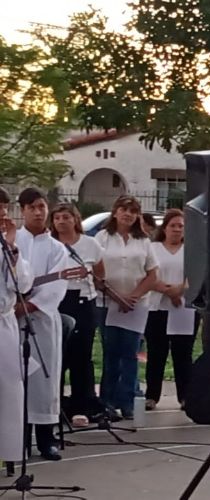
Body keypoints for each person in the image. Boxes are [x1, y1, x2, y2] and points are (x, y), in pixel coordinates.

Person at [15, 187, 69, 461]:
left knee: (44, 379)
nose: (38, 212)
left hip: (43, 321)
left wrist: (28, 306)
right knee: (16, 380)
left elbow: (57, 285)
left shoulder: (57, 249)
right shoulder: (10, 242)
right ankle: (18, 439)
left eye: (42, 207)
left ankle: (46, 439)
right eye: (32, 207)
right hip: (10, 321)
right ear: (22, 210)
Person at [95, 195, 158, 419]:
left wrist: (133, 296)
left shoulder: (143, 241)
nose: (128, 214)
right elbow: (94, 272)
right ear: (115, 212)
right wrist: (116, 296)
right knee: (111, 353)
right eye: (124, 209)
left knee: (131, 353)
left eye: (133, 211)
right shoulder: (102, 238)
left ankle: (128, 401)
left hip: (136, 305)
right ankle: (107, 402)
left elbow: (152, 273)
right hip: (108, 303)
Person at [50, 203, 104, 426]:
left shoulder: (90, 244)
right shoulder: (50, 245)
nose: (61, 221)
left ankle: (82, 406)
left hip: (83, 301)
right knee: (57, 358)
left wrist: (87, 273)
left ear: (75, 219)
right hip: (57, 301)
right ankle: (56, 407)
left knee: (81, 356)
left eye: (66, 217)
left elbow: (101, 275)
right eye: (57, 218)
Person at [144, 209, 196, 411]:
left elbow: (196, 276)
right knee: (156, 353)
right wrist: (168, 291)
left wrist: (179, 291)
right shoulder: (153, 248)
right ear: (164, 228)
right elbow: (147, 274)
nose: (176, 229)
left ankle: (186, 396)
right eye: (172, 225)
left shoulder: (191, 250)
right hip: (157, 306)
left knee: (183, 353)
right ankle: (152, 395)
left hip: (184, 308)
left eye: (180, 226)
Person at [0, 187, 33, 464]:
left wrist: (11, 248)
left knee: (8, 389)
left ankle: (6, 454)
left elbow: (21, 284)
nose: (2, 215)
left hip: (4, 322)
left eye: (4, 209)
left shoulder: (8, 244)